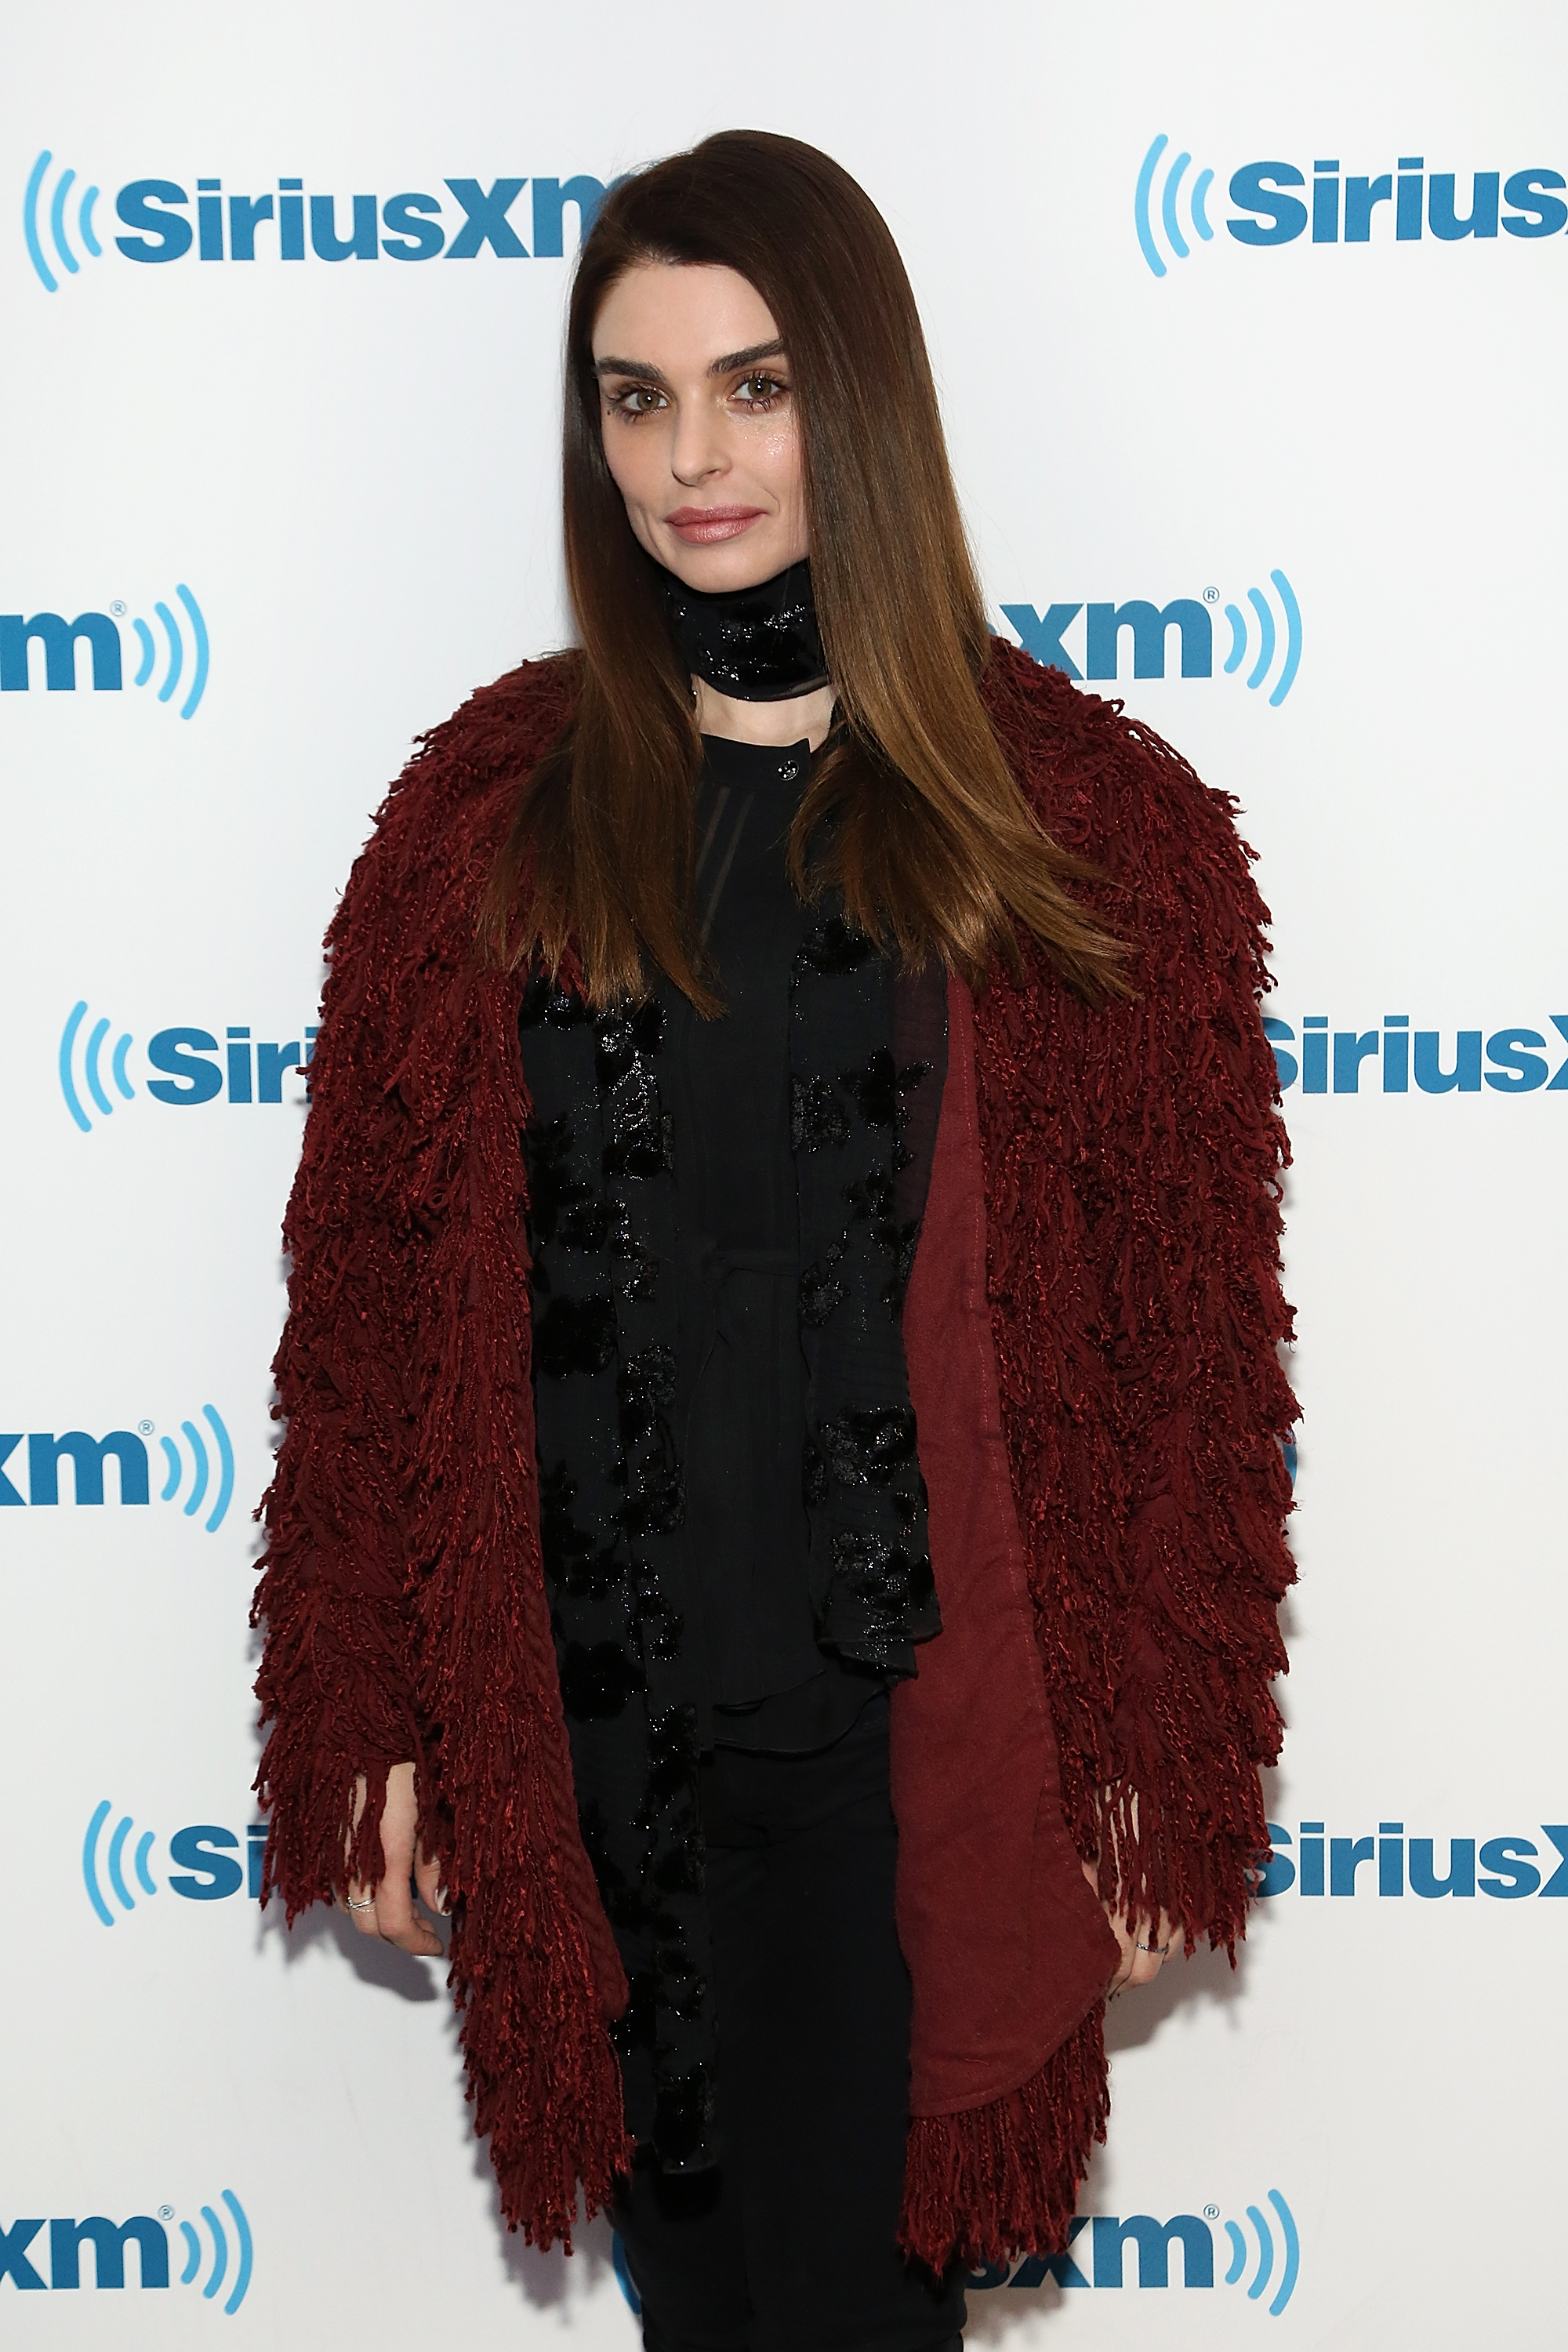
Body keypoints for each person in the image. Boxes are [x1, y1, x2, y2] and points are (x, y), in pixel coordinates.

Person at [253, 130, 1296, 2352]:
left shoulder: (1093, 833)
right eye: (637, 398)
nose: (693, 456)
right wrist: (370, 1709)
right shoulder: (479, 823)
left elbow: (1200, 1367)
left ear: (863, 402)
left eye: (753, 385)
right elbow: (363, 1324)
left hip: (912, 1771)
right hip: (601, 1783)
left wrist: (1155, 1761)